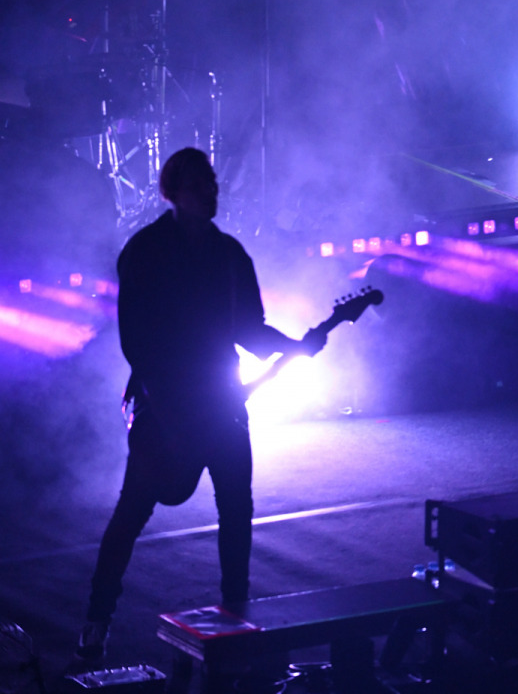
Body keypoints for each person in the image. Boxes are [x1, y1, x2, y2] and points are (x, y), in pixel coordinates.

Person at [77, 149, 321, 662]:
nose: (211, 191)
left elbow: (248, 330)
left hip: (220, 398)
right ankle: (96, 621)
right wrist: (165, 408)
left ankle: (237, 614)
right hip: (165, 403)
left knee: (236, 508)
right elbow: (135, 341)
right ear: (173, 192)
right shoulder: (145, 251)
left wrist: (294, 346)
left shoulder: (230, 255)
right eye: (199, 184)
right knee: (132, 513)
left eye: (212, 182)